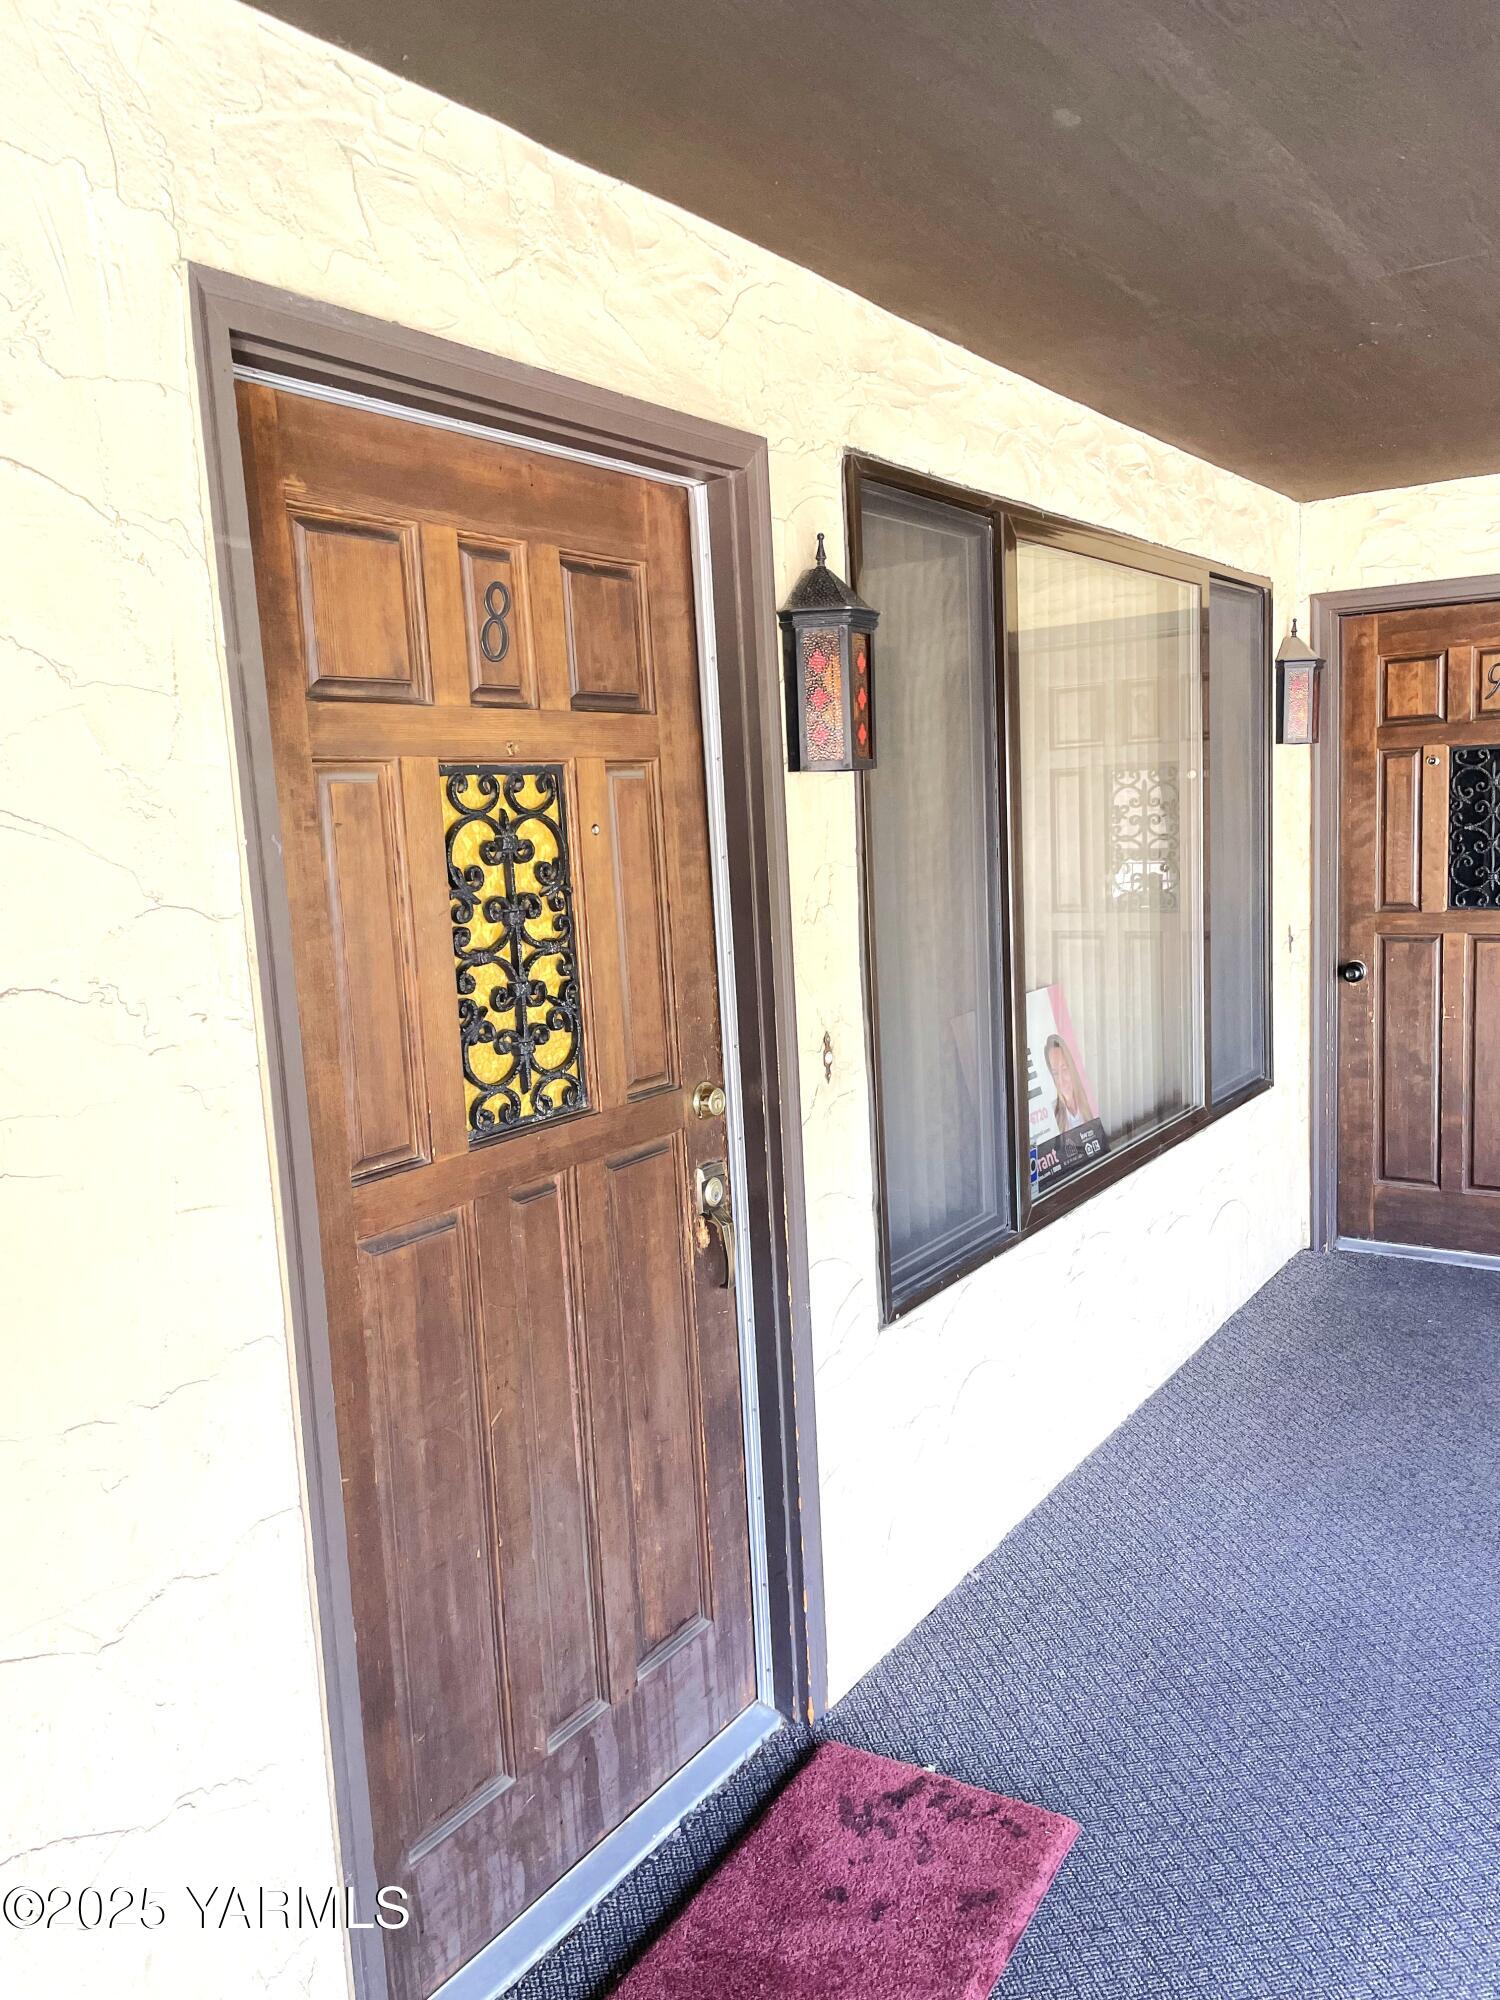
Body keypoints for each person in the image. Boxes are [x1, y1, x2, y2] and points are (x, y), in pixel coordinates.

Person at [1044, 1033, 1087, 1132]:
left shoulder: (1089, 1101)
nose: (1061, 1080)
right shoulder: (1051, 1115)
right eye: (1055, 1073)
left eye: (1064, 1069)